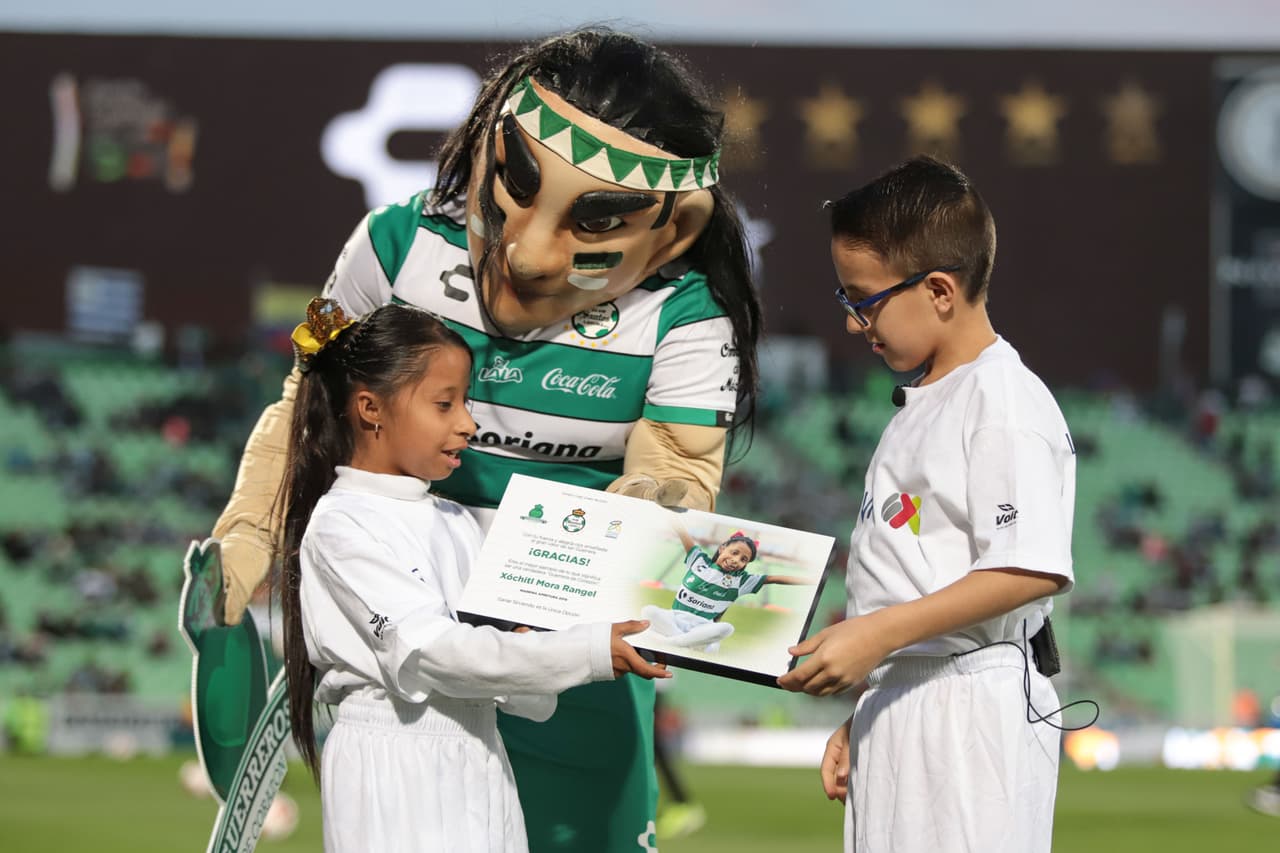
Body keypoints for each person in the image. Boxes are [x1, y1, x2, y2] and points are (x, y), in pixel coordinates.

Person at [208, 27, 761, 852]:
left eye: (598, 217)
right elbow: (307, 400)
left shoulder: (685, 321)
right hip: (415, 662)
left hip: (570, 656)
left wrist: (648, 515)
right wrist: (249, 528)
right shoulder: (392, 247)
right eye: (519, 179)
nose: (530, 250)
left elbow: (677, 473)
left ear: (674, 230)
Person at [277, 298, 668, 852]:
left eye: (466, 401)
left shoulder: (455, 519)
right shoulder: (342, 525)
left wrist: (538, 647)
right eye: (444, 404)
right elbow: (436, 653)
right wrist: (583, 652)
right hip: (396, 759)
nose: (468, 422)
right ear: (370, 408)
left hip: (480, 749)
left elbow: (482, 660)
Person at [778, 156, 1076, 853]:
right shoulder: (921, 402)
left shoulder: (1000, 397)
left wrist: (877, 637)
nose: (855, 323)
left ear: (939, 289)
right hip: (909, 692)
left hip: (971, 708)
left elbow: (1028, 566)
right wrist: (872, 698)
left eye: (865, 298)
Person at [642, 524, 810, 652]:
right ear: (722, 548)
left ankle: (671, 641)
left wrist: (810, 580)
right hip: (674, 619)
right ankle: (684, 642)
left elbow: (775, 579)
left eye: (744, 559)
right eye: (734, 552)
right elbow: (683, 533)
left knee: (726, 628)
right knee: (649, 611)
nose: (737, 560)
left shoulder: (742, 581)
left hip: (703, 628)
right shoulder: (698, 561)